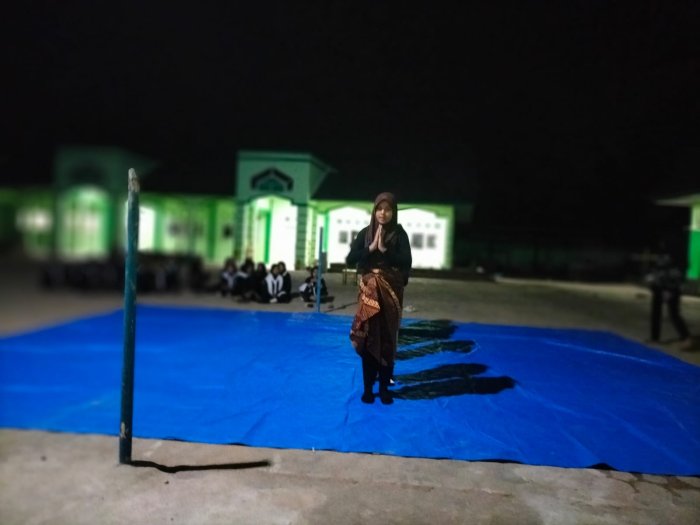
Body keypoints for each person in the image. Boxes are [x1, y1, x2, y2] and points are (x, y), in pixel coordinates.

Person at [346, 192, 412, 404]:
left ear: (394, 212)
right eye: (379, 209)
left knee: (387, 339)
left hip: (390, 293)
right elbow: (350, 259)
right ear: (374, 211)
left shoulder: (399, 235)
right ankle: (368, 389)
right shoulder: (365, 233)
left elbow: (406, 262)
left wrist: (385, 250)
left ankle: (384, 388)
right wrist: (371, 248)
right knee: (368, 337)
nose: (383, 213)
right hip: (369, 293)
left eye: (388, 209)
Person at [646, 253, 691, 349]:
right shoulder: (661, 252)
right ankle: (655, 338)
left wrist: (670, 289)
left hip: (671, 287)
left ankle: (686, 337)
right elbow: (658, 267)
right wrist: (653, 277)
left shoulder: (675, 254)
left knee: (674, 314)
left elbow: (676, 272)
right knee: (656, 312)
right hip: (659, 286)